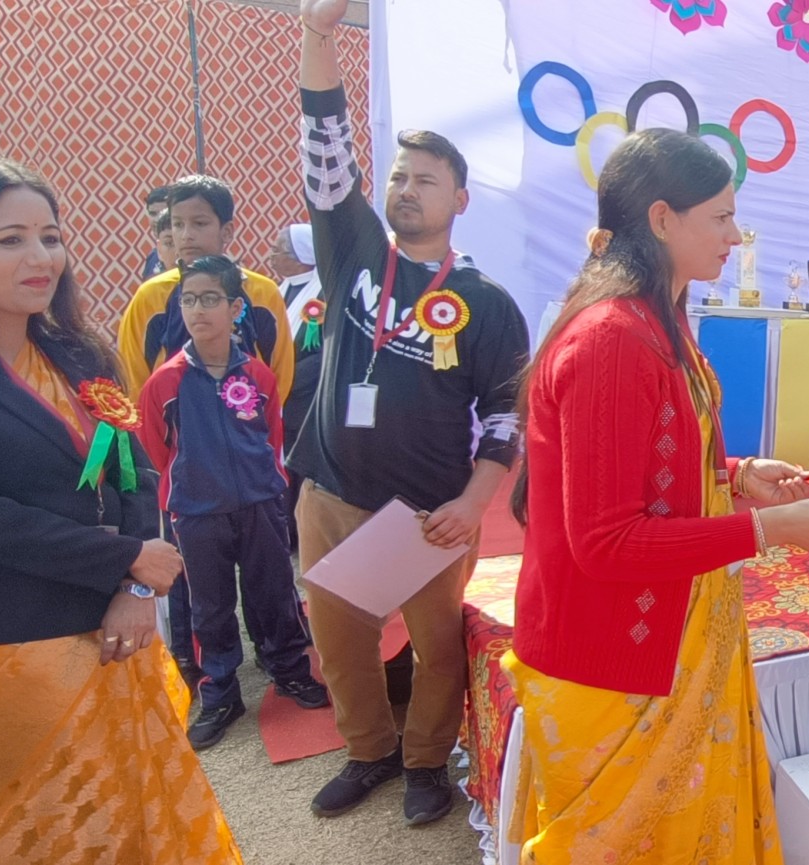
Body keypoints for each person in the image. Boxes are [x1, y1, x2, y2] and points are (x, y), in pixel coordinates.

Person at [504, 127, 809, 864]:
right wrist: (772, 529)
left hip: (671, 630)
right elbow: (606, 540)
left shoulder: (657, 317)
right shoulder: (612, 338)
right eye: (722, 217)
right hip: (615, 655)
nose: (736, 236)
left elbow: (657, 448)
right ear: (661, 220)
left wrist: (733, 474)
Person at [297, 0, 533, 825]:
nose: (405, 188)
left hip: (430, 516)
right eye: (399, 176)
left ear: (459, 199)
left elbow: (505, 415)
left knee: (438, 652)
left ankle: (427, 759)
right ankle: (368, 750)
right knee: (341, 644)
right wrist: (317, 36)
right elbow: (326, 150)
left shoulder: (486, 302)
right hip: (329, 496)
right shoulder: (353, 251)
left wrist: (472, 502)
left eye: (425, 179)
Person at [0, 159, 241, 863]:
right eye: (10, 240)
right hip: (20, 643)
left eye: (49, 236)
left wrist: (136, 589)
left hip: (117, 632)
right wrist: (126, 558)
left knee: (134, 816)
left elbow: (136, 467)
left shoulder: (80, 354)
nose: (40, 257)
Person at [135, 255, 326, 750]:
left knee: (274, 590)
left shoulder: (259, 375)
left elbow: (273, 435)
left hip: (260, 502)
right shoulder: (165, 383)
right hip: (197, 512)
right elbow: (156, 447)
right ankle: (219, 691)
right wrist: (190, 487)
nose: (198, 309)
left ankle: (289, 668)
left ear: (235, 307)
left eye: (210, 298)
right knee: (209, 606)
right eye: (189, 300)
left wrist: (265, 486)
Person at [117, 174, 294, 399]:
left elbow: (280, 373)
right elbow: (133, 377)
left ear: (227, 231)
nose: (186, 235)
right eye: (178, 224)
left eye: (199, 223)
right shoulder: (151, 296)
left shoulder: (261, 293)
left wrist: (254, 417)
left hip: (247, 418)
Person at [270, 223, 321, 547]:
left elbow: (321, 354)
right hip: (277, 395)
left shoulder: (322, 295)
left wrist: (285, 378)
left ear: (301, 257)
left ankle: (300, 532)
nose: (271, 255)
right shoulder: (280, 289)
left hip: (304, 400)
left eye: (278, 250)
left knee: (301, 466)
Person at [142, 185, 171, 279]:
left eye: (163, 213)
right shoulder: (152, 256)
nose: (157, 220)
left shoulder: (187, 255)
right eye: (153, 214)